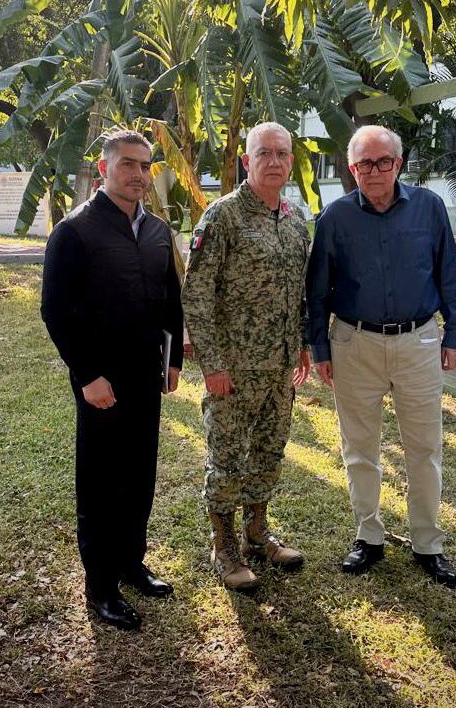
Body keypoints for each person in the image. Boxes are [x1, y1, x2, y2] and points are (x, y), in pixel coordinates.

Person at [306, 125, 456, 587]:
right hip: (354, 344)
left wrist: (453, 333)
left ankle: (427, 544)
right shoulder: (334, 218)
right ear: (351, 169)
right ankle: (368, 537)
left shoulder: (430, 208)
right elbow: (317, 291)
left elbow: (448, 272)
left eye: (383, 162)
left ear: (398, 164)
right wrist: (320, 347)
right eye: (363, 164)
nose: (373, 171)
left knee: (424, 447)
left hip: (418, 342)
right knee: (359, 447)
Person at [41, 130, 184, 629]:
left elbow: (171, 301)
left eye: (146, 166)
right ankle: (99, 586)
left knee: (139, 475)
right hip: (101, 382)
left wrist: (173, 361)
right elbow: (55, 311)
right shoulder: (75, 231)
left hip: (147, 376)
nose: (139, 175)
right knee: (101, 484)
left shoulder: (159, 231)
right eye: (128, 164)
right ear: (104, 169)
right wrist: (88, 375)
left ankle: (130, 564)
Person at [182, 122, 311, 592]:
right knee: (227, 458)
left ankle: (258, 534)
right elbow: (195, 293)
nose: (274, 161)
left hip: (278, 368)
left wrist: (300, 345)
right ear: (246, 160)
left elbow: (299, 293)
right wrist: (212, 363)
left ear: (290, 162)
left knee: (268, 452)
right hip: (232, 370)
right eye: (264, 154)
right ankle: (225, 546)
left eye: (282, 154)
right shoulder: (223, 217)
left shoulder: (296, 221)